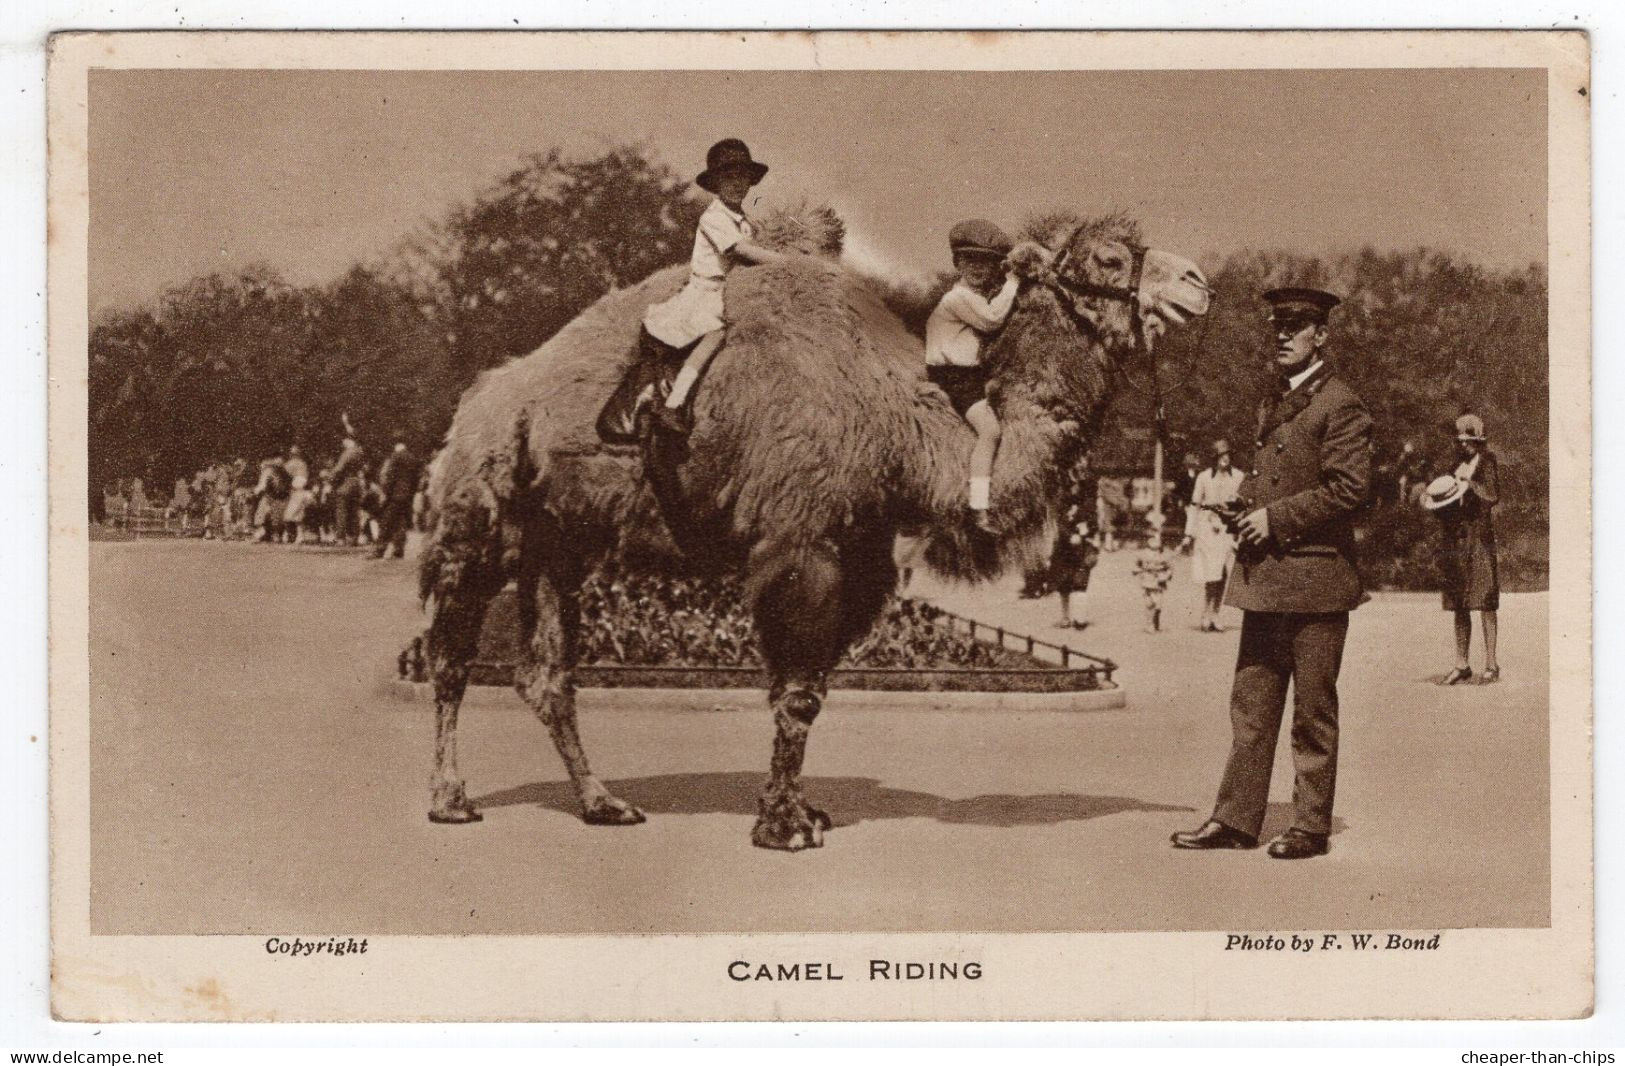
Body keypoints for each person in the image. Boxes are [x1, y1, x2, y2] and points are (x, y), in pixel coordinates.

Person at [1172, 286, 1372, 861]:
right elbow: (1275, 480)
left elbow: (1350, 488)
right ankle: (1235, 820)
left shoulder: (1341, 404)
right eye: (1277, 327)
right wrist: (1243, 505)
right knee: (1251, 707)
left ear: (1321, 336)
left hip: (1315, 581)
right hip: (1266, 581)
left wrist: (1274, 518)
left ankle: (1310, 825)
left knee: (1312, 711)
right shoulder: (1273, 402)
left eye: (1297, 326)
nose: (1283, 335)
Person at [643, 138, 786, 434]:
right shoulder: (713, 218)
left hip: (728, 291)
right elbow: (742, 252)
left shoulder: (743, 220)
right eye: (728, 178)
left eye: (742, 177)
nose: (736, 184)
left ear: (750, 181)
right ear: (716, 183)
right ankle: (674, 403)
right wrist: (788, 262)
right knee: (716, 333)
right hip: (707, 292)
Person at [924, 219, 1021, 528]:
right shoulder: (957, 300)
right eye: (970, 260)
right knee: (990, 432)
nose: (979, 268)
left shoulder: (973, 297)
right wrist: (1015, 281)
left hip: (969, 376)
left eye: (987, 262)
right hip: (954, 378)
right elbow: (992, 321)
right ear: (957, 263)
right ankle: (979, 505)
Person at [1421, 413, 1501, 684]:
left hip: (1479, 541)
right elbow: (1444, 500)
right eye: (1461, 441)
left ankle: (1491, 663)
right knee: (1459, 603)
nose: (1464, 445)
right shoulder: (1457, 464)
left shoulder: (1487, 463)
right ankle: (1462, 663)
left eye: (1469, 441)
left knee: (1485, 601)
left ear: (1479, 442)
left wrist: (1470, 486)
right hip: (1457, 543)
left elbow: (1492, 495)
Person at [1183, 438, 1247, 631]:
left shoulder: (1238, 476)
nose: (1224, 459)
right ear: (1214, 458)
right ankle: (1207, 611)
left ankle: (1216, 613)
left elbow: (1243, 504)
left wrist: (1240, 532)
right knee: (1211, 571)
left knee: (1222, 571)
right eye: (1220, 455)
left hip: (1228, 528)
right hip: (1207, 527)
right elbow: (1195, 505)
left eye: (1227, 454)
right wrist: (1189, 533)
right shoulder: (1203, 477)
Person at [374, 432, 423, 559]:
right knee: (400, 522)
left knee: (387, 521)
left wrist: (386, 493)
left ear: (395, 444)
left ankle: (379, 550)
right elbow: (416, 479)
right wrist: (411, 494)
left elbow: (390, 477)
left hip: (395, 495)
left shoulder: (395, 457)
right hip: (406, 496)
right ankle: (398, 550)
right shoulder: (412, 458)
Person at [1133, 515, 1173, 633]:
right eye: (1151, 539)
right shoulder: (1143, 554)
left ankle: (1155, 622)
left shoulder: (1164, 555)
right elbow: (1137, 565)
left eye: (1158, 539)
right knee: (1149, 603)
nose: (1154, 542)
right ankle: (1149, 624)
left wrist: (1167, 575)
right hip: (1147, 581)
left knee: (1158, 605)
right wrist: (1136, 570)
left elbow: (1170, 568)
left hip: (1159, 582)